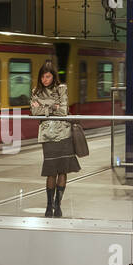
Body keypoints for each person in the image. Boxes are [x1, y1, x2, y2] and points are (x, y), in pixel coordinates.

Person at [30, 60, 79, 217]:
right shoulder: (35, 91)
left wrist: (44, 107)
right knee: (51, 172)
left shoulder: (61, 89)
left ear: (53, 77)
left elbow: (63, 111)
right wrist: (53, 107)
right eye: (43, 77)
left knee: (62, 171)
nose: (45, 80)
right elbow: (34, 113)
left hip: (64, 135)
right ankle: (48, 206)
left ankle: (58, 206)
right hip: (48, 136)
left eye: (48, 77)